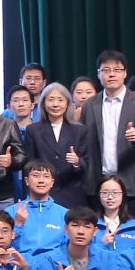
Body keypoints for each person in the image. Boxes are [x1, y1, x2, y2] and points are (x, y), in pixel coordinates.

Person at [82, 50, 135, 205]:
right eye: (106, 70)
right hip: (97, 183)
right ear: (98, 74)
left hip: (131, 184)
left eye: (117, 70)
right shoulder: (90, 105)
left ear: (125, 73)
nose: (111, 74)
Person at [20, 82, 89, 210]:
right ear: (43, 104)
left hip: (72, 193)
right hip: (43, 193)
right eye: (51, 99)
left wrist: (77, 162)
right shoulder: (33, 130)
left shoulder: (79, 130)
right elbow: (29, 164)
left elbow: (87, 164)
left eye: (60, 100)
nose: (56, 104)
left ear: (67, 104)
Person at [13, 161, 68, 257]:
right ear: (26, 181)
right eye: (35, 176)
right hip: (20, 261)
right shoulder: (12, 211)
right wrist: (17, 225)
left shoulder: (65, 214)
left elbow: (68, 247)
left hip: (54, 263)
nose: (41, 180)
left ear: (52, 182)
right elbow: (5, 245)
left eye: (46, 176)